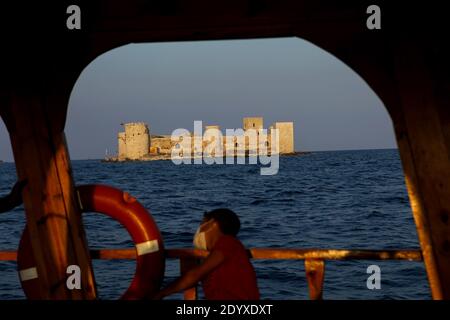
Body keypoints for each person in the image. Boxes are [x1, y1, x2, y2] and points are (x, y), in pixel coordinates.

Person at [153, 208, 260, 300]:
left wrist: (161, 293)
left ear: (213, 223)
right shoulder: (223, 250)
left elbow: (195, 275)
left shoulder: (227, 243)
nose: (199, 229)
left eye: (202, 223)